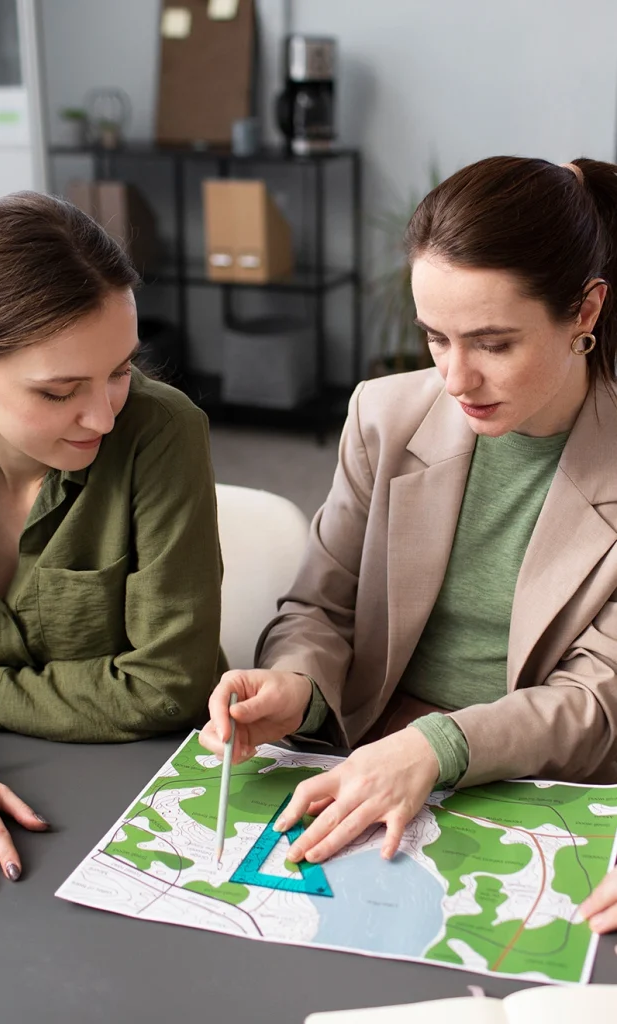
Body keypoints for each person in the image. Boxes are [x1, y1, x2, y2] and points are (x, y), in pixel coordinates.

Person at [201, 155, 617, 875]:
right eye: (434, 337)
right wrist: (297, 686)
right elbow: (318, 609)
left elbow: (592, 702)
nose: (455, 378)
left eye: (493, 343)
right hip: (369, 747)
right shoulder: (384, 415)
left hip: (529, 781)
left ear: (583, 311)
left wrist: (437, 745)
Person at [0, 192, 224, 893]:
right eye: (60, 391)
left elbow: (166, 691)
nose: (101, 414)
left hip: (136, 785)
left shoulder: (161, 432)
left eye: (120, 369)